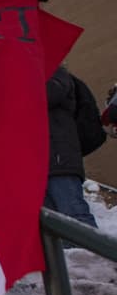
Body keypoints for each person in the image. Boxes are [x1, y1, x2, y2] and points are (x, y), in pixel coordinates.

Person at [45, 66, 99, 228]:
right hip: (39, 163)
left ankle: (93, 252)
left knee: (74, 216)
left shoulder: (54, 71)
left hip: (59, 159)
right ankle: (71, 253)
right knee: (53, 224)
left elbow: (49, 93)